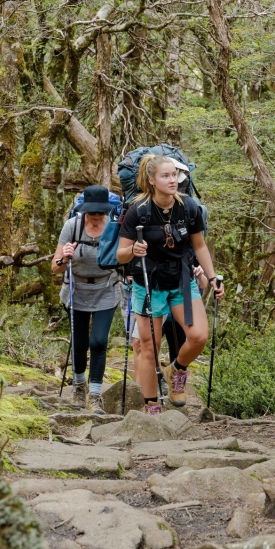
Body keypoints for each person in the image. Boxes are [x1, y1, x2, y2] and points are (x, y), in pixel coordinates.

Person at [116, 154, 224, 414]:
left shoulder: (189, 207)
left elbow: (199, 245)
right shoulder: (138, 211)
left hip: (181, 281)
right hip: (149, 284)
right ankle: (151, 405)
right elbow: (120, 254)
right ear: (152, 180)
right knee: (150, 348)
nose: (172, 180)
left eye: (174, 175)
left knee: (199, 336)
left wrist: (212, 277)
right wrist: (135, 250)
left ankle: (176, 370)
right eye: (166, 176)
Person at [52, 184, 119, 414]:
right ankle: (79, 386)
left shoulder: (113, 227)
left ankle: (95, 395)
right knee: (79, 344)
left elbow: (123, 258)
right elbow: (55, 267)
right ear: (84, 211)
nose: (96, 218)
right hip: (76, 289)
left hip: (106, 289)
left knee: (98, 341)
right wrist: (65, 257)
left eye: (100, 213)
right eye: (92, 213)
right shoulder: (72, 226)